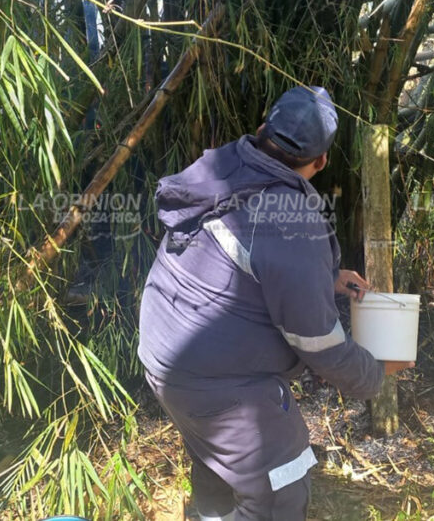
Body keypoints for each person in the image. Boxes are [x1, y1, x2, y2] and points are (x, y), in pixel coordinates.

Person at [138, 86, 413, 521]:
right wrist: (375, 373)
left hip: (164, 354)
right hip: (218, 381)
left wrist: (325, 279)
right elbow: (320, 344)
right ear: (321, 161)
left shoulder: (222, 166)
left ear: (263, 128)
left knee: (217, 462)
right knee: (281, 486)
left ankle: (209, 512)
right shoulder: (291, 220)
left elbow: (245, 261)